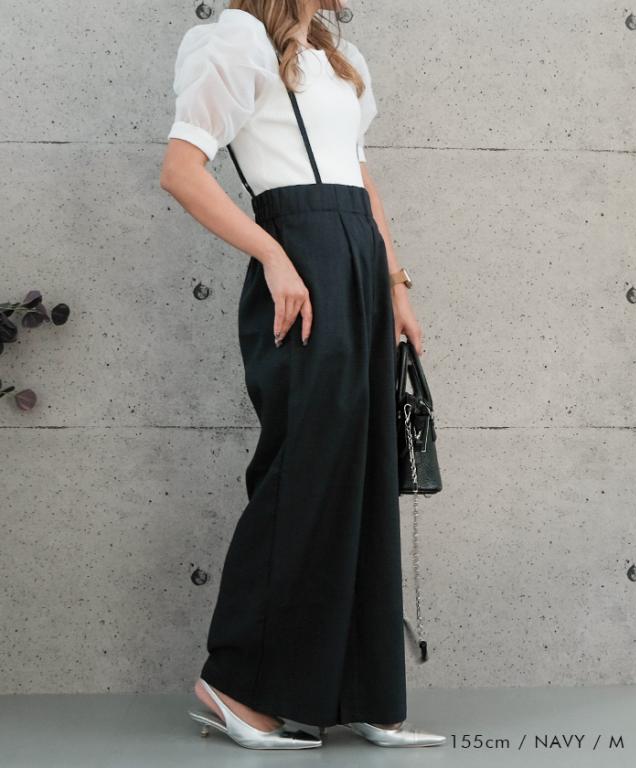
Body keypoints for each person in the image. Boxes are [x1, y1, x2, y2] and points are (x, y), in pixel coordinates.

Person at [160, 0, 446, 751]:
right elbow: (181, 171)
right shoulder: (236, 42)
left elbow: (361, 180)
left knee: (363, 471)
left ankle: (362, 692)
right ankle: (237, 685)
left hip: (358, 261)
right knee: (308, 471)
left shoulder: (338, 58)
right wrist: (273, 255)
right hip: (299, 256)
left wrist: (396, 284)